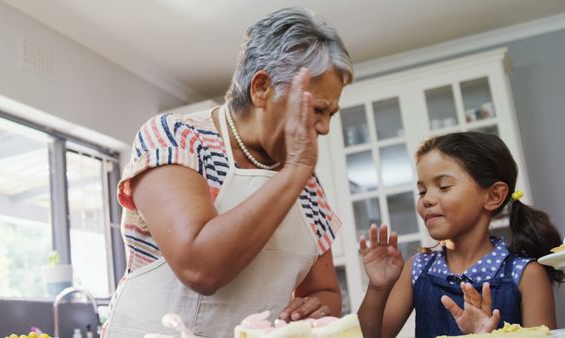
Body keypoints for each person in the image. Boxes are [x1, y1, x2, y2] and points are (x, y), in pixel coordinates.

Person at [101, 7, 396, 337]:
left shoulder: (307, 184)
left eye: (331, 113)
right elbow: (200, 268)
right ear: (261, 88)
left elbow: (324, 290)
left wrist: (314, 307)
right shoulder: (177, 137)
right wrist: (295, 171)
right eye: (316, 109)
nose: (324, 127)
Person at [359, 132, 564, 338]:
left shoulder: (526, 274)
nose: (427, 200)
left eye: (444, 187)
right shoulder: (417, 268)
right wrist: (377, 288)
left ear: (494, 196)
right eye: (422, 191)